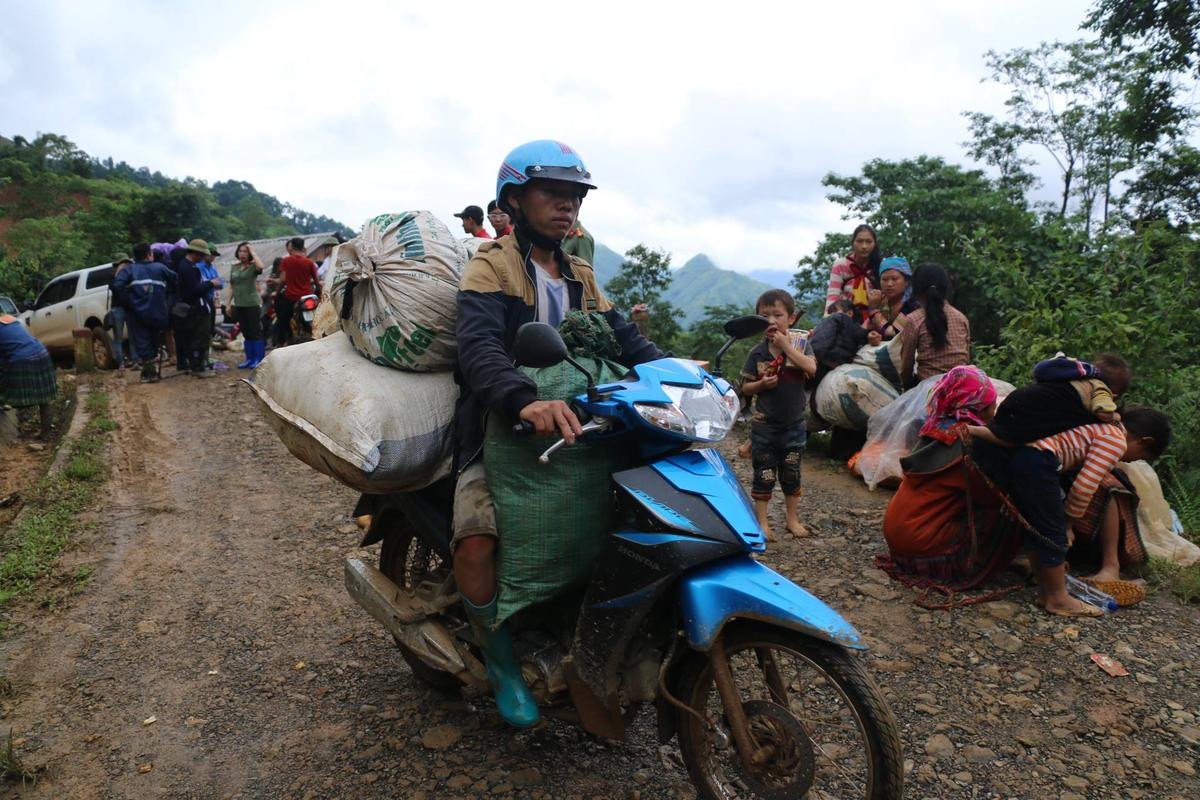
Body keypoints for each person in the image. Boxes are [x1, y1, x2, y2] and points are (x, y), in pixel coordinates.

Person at [454, 140, 664, 728]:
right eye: (554, 193)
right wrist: (525, 399)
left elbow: (630, 342)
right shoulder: (490, 265)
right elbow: (480, 351)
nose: (568, 206)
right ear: (514, 200)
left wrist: (682, 376)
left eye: (575, 196)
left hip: (583, 423)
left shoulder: (581, 273)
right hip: (499, 425)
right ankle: (498, 660)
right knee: (476, 541)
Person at [970, 407, 1170, 617]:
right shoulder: (1115, 441)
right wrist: (1068, 524)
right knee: (1054, 530)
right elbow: (1084, 487)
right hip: (1039, 461)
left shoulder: (1096, 424)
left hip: (1020, 457)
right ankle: (1058, 599)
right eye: (1138, 457)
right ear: (1144, 441)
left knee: (1037, 526)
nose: (1129, 461)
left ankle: (1045, 584)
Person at [740, 289, 818, 540]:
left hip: (794, 425)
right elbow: (745, 387)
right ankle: (762, 523)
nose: (772, 321)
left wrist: (786, 347)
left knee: (791, 473)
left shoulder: (801, 345)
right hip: (765, 427)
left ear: (791, 319)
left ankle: (792, 520)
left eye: (778, 315)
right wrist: (761, 385)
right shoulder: (757, 353)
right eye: (765, 316)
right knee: (764, 473)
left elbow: (811, 368)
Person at [898, 263, 970, 389]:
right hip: (961, 386)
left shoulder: (913, 319)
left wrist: (907, 386)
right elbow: (966, 358)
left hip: (929, 389)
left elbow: (906, 365)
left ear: (916, 290)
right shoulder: (961, 318)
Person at [113, 242, 177, 382]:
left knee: (142, 341)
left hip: (137, 313)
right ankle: (150, 371)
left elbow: (117, 286)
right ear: (149, 255)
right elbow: (176, 280)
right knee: (155, 340)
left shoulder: (129, 270)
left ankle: (149, 372)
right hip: (158, 312)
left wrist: (129, 301)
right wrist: (167, 296)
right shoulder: (160, 268)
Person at [0, 313, 57, 437]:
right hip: (42, 353)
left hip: (22, 359)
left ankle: (9, 406)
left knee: (7, 383)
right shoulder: (9, 319)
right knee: (44, 398)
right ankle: (46, 433)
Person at [176, 239, 218, 376]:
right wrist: (210, 284)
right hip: (196, 308)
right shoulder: (187, 268)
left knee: (198, 337)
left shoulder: (189, 266)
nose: (203, 257)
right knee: (200, 337)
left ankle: (198, 365)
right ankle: (199, 367)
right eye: (201, 254)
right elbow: (194, 290)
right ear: (195, 253)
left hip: (198, 306)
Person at [824, 224, 881, 322]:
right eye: (860, 241)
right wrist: (827, 321)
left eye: (869, 242)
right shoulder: (841, 265)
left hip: (874, 319)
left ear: (875, 244)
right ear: (853, 243)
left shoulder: (880, 265)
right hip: (846, 319)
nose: (864, 246)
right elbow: (833, 295)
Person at [274, 237, 321, 347]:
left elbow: (283, 280)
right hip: (308, 297)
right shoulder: (309, 262)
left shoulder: (286, 261)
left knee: (282, 319)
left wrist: (277, 292)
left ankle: (281, 342)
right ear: (302, 247)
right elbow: (316, 281)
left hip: (291, 297)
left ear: (292, 247)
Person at [227, 242, 266, 368]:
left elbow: (262, 266)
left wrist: (253, 251)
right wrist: (228, 304)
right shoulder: (234, 267)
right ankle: (249, 359)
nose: (242, 253)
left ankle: (258, 360)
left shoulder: (253, 266)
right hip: (239, 304)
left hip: (252, 304)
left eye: (245, 251)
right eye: (240, 251)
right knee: (246, 332)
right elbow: (232, 286)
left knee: (255, 331)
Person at [865, 256, 917, 345]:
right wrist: (872, 335)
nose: (889, 284)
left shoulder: (913, 303)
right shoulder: (879, 299)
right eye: (884, 280)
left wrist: (873, 310)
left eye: (894, 279)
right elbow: (867, 328)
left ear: (906, 281)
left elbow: (892, 334)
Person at [108, 253, 132, 370]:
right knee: (118, 337)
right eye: (123, 263)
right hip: (117, 308)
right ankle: (120, 362)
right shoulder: (113, 276)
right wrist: (118, 273)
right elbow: (113, 287)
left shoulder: (131, 274)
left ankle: (136, 360)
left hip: (130, 307)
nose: (125, 265)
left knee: (133, 335)